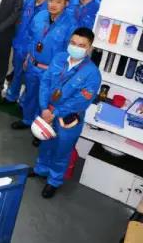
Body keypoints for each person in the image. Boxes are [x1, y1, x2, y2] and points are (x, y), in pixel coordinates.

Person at [29, 27, 101, 199]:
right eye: (73, 43)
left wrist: (56, 112)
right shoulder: (59, 58)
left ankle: (54, 181)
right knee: (45, 143)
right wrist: (44, 107)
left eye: (81, 45)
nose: (76, 47)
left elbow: (81, 101)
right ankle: (41, 169)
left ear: (89, 48)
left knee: (62, 150)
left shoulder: (92, 73)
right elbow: (45, 82)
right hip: (47, 111)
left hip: (68, 118)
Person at [12, 0, 78, 134]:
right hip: (33, 65)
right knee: (30, 94)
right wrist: (28, 57)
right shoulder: (40, 16)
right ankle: (27, 120)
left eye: (58, 1)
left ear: (66, 3)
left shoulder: (71, 25)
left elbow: (69, 53)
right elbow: (31, 38)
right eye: (51, 0)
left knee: (46, 101)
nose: (53, 4)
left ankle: (41, 128)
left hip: (51, 71)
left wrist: (60, 73)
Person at [5, 0, 53, 104]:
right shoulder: (29, 1)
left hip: (35, 49)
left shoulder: (50, 8)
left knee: (30, 78)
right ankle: (11, 96)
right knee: (17, 71)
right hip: (20, 44)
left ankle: (24, 102)